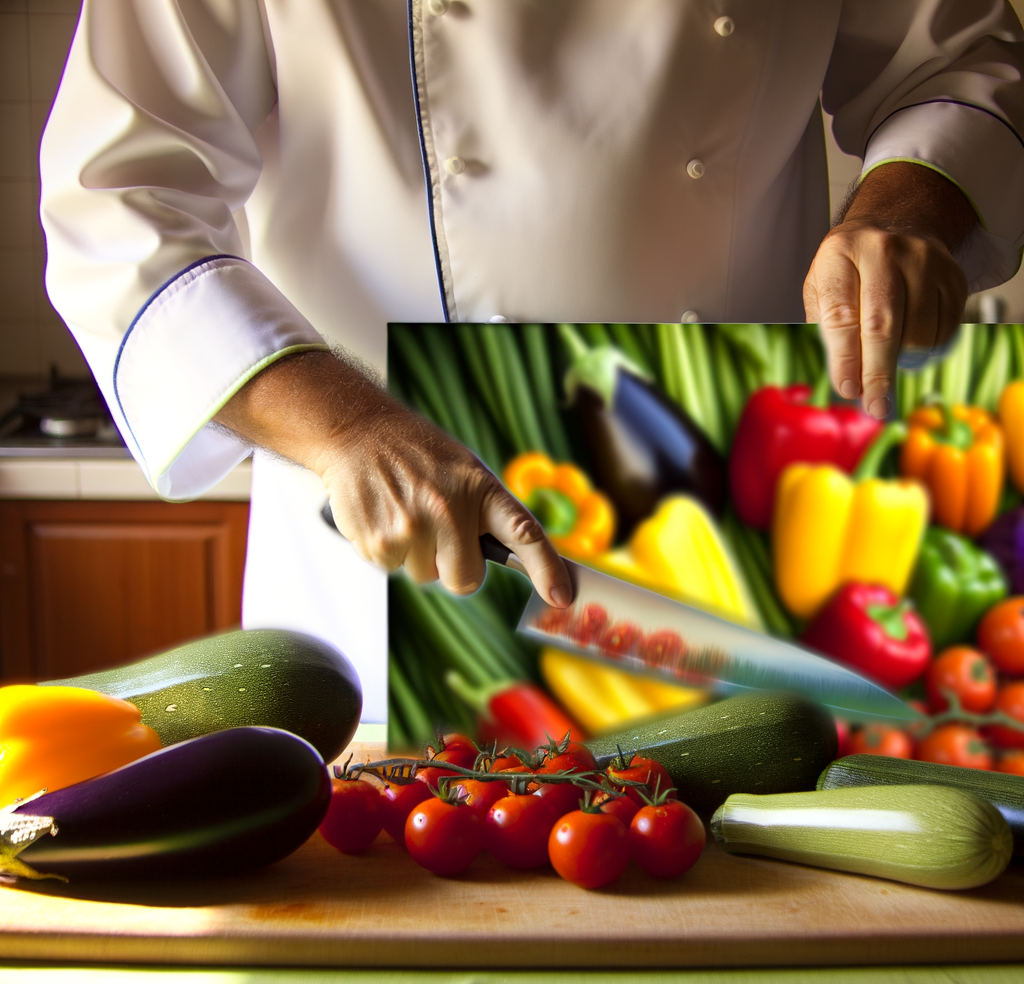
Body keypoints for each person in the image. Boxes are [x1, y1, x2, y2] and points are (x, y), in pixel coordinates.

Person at [40, 0, 1024, 723]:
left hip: (741, 552)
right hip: (385, 565)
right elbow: (117, 204)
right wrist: (343, 427)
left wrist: (902, 211)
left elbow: (959, 61)